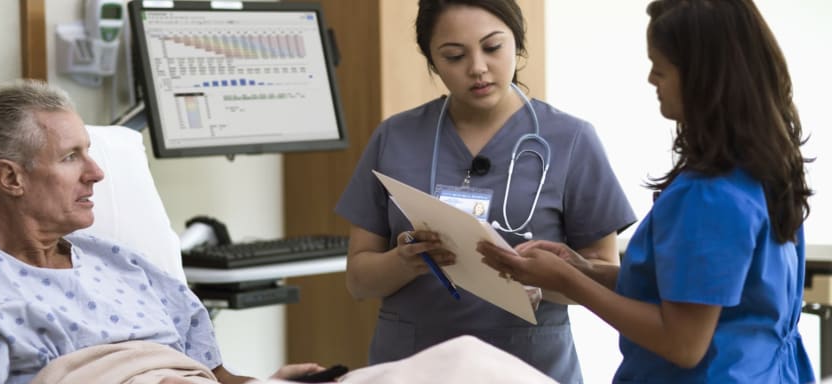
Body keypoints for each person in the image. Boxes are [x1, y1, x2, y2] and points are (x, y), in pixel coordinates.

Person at [0, 80, 323, 384]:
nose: (96, 172)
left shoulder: (123, 263)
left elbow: (216, 376)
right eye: (71, 157)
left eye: (89, 152)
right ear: (11, 179)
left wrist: (270, 382)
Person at [478, 0, 815, 382]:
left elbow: (683, 343)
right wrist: (585, 269)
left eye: (661, 67)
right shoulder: (762, 167)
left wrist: (566, 281)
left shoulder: (709, 196)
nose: (651, 79)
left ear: (705, 77)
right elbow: (694, 291)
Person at [334, 0, 636, 382]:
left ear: (517, 42)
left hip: (528, 366)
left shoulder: (572, 140)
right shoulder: (395, 137)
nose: (477, 68)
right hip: (412, 365)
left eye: (492, 48)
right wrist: (407, 259)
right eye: (454, 56)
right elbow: (358, 281)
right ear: (432, 60)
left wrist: (547, 279)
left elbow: (606, 279)